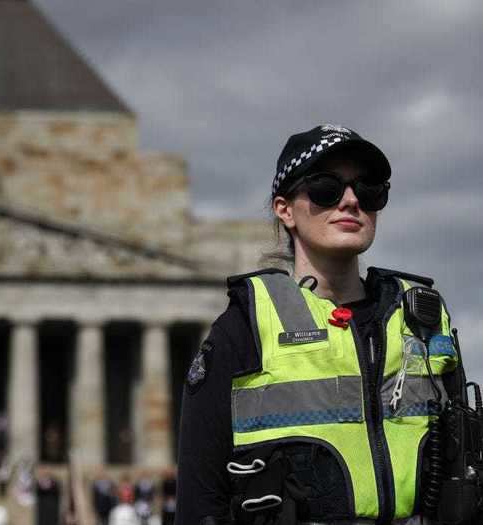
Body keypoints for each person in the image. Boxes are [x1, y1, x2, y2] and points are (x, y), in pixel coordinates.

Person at [176, 124, 466, 524]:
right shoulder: (244, 327)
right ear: (284, 208)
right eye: (326, 188)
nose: (350, 200)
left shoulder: (421, 319)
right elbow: (199, 501)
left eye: (368, 189)